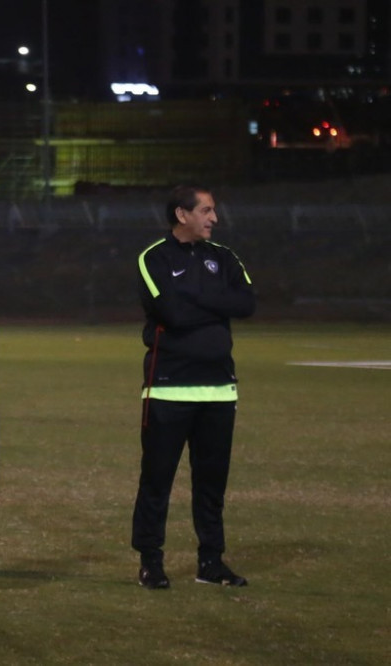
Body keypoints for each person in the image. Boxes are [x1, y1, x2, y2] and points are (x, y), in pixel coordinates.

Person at [131, 184, 255, 590]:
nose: (214, 218)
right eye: (206, 210)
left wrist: (194, 296)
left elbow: (247, 304)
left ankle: (211, 562)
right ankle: (151, 562)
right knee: (157, 481)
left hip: (219, 390)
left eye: (213, 210)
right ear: (182, 215)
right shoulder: (154, 257)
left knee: (212, 484)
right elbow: (172, 313)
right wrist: (215, 300)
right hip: (168, 389)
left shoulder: (224, 257)